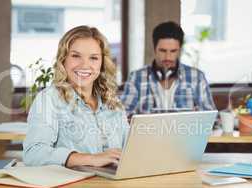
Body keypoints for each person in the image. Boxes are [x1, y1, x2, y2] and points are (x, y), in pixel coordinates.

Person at [23, 26, 129, 168]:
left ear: (102, 63)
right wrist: (90, 159)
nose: (85, 65)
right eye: (76, 56)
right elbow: (33, 154)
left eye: (93, 58)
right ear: (63, 59)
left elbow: (130, 150)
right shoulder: (48, 99)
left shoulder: (113, 103)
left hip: (113, 184)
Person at [121, 21, 215, 117]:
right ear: (154, 49)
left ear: (180, 50)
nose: (168, 57)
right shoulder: (136, 78)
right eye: (163, 51)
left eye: (173, 51)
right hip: (150, 132)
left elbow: (211, 118)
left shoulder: (197, 77)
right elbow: (123, 115)